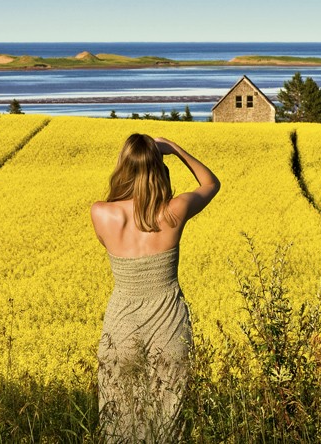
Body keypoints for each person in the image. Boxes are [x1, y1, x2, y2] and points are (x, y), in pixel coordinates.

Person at [90, 134, 220, 442]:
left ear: (124, 166)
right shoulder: (174, 211)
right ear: (158, 168)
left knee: (119, 417)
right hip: (170, 325)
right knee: (168, 420)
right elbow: (211, 183)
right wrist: (175, 148)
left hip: (121, 326)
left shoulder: (101, 213)